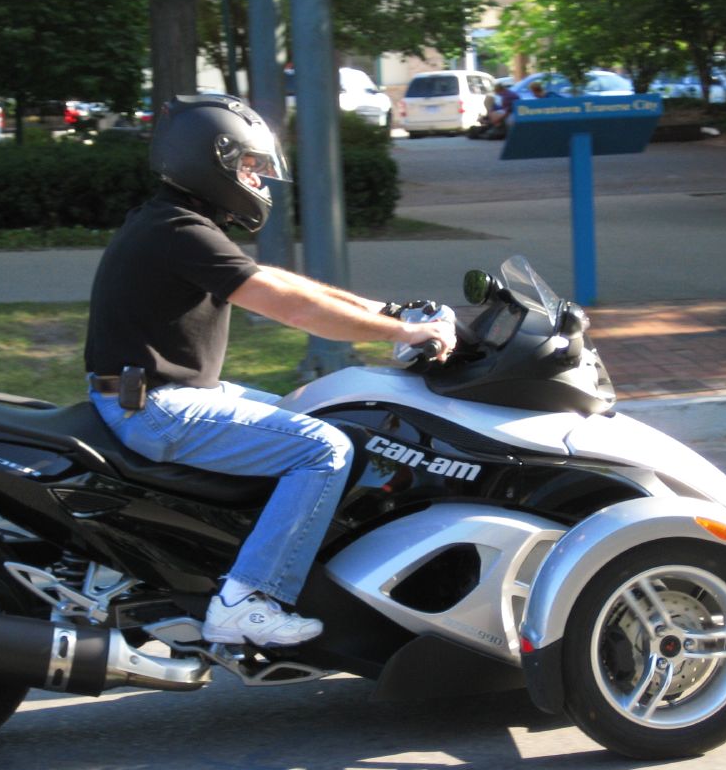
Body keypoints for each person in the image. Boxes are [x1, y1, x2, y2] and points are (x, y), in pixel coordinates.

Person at [85, 94, 456, 649]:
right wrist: (402, 335)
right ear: (208, 160)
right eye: (249, 166)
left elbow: (285, 284)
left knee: (310, 408)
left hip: (164, 394)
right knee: (323, 450)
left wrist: (387, 310)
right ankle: (247, 598)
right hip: (159, 409)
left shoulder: (175, 221)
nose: (257, 180)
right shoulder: (177, 231)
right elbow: (294, 309)